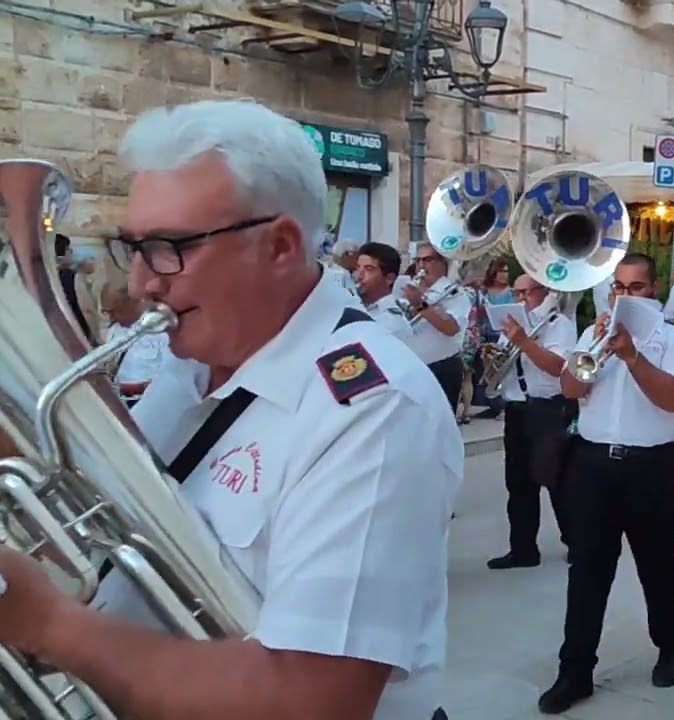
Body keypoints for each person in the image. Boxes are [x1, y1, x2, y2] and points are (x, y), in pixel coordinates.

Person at [0, 100, 463, 718]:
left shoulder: (373, 409)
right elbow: (106, 541)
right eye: (131, 247)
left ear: (278, 246)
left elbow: (312, 699)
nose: (141, 283)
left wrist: (52, 628)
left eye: (167, 247)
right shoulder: (192, 357)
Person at [538, 252, 674, 715]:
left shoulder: (673, 337)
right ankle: (575, 671)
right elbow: (571, 390)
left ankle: (671, 647)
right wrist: (597, 348)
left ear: (654, 290)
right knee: (587, 569)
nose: (626, 296)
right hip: (592, 464)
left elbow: (673, 398)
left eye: (636, 287)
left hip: (655, 467)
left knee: (658, 563)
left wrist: (632, 356)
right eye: (619, 288)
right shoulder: (594, 333)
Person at [486, 274, 577, 570]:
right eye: (517, 293)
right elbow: (502, 365)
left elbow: (558, 367)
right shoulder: (512, 325)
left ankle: (577, 543)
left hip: (549, 408)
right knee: (518, 484)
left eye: (526, 293)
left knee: (557, 481)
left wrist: (523, 342)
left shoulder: (558, 325)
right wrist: (493, 359)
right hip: (517, 409)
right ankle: (523, 550)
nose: (521, 299)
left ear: (543, 291)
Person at [401, 244, 473, 414]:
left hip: (441, 367)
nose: (421, 265)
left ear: (443, 263)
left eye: (427, 260)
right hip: (413, 366)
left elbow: (451, 327)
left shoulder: (454, 292)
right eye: (418, 260)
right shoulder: (411, 289)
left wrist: (420, 304)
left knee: (440, 422)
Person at [101, 283, 176, 402]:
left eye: (113, 311)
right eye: (106, 312)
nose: (111, 318)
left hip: (147, 401)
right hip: (118, 400)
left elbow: (171, 378)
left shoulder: (160, 329)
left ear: (130, 303)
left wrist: (131, 389)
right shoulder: (114, 330)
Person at [353, 242, 413, 340]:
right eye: (357, 268)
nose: (358, 276)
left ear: (389, 278)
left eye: (368, 269)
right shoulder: (357, 307)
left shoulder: (392, 322)